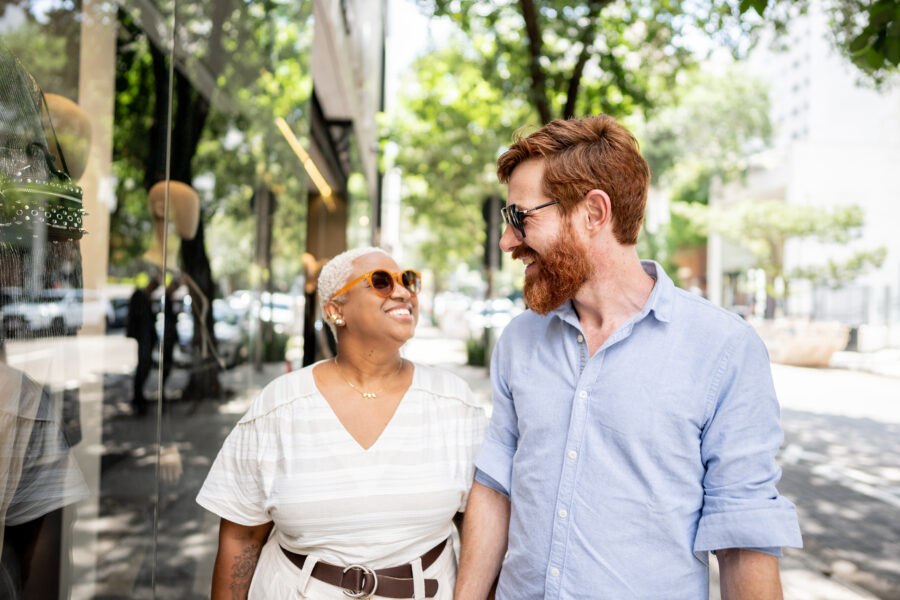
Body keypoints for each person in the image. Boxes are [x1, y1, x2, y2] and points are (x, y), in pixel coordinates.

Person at [454, 115, 802, 600]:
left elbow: (743, 534)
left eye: (521, 218)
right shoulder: (519, 339)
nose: (507, 241)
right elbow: (496, 485)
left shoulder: (723, 349)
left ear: (593, 213)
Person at [197, 247, 488, 599]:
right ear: (336, 310)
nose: (402, 292)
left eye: (408, 281)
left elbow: (480, 529)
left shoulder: (454, 404)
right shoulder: (280, 406)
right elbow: (241, 537)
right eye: (380, 282)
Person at [125, 275, 161, 416]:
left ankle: (139, 398)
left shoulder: (145, 297)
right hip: (143, 336)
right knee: (143, 366)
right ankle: (137, 399)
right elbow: (138, 318)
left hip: (146, 337)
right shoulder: (140, 296)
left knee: (145, 366)